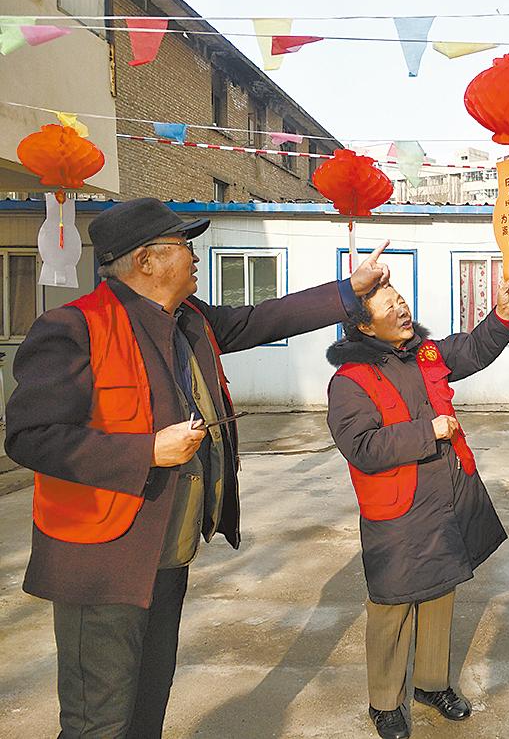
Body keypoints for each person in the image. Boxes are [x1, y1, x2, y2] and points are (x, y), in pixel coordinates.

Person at [3, 197, 393, 739]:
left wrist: (351, 291)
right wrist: (144, 451)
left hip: (167, 549)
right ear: (146, 261)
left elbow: (262, 319)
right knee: (100, 718)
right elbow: (31, 438)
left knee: (147, 707)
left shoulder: (188, 321)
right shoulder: (74, 328)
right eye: (184, 245)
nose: (195, 255)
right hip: (102, 560)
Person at [325, 277, 509, 739]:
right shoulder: (350, 381)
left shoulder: (425, 353)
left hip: (443, 496)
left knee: (440, 590)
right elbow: (362, 446)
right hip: (397, 505)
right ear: (364, 325)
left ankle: (432, 685)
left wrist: (501, 313)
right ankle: (385, 703)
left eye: (402, 300)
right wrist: (427, 432)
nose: (402, 309)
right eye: (389, 305)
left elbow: (473, 350)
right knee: (393, 604)